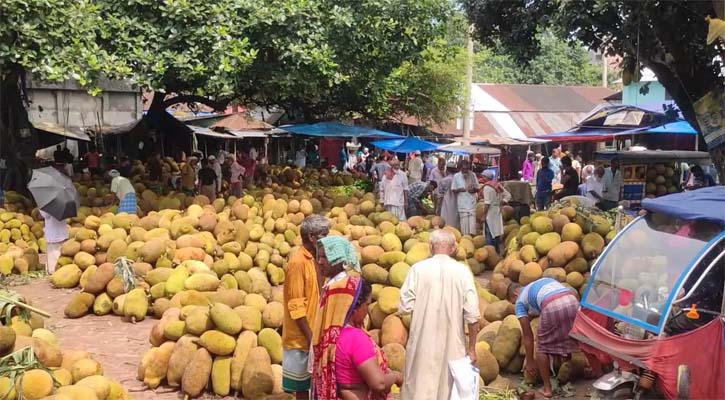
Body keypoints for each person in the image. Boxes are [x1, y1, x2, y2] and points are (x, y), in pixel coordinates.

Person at [399, 229, 480, 400]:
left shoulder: (417, 269)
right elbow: (472, 315)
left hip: (422, 343)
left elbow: (404, 306)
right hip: (453, 345)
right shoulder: (463, 271)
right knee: (449, 392)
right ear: (452, 249)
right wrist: (472, 348)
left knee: (419, 390)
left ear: (430, 247)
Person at [310, 236, 367, 400]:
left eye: (324, 257)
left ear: (337, 259)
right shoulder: (331, 284)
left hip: (339, 356)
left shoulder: (342, 287)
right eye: (318, 256)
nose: (319, 261)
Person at [283, 215, 330, 399]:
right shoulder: (297, 262)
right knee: (302, 387)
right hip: (301, 337)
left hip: (315, 331)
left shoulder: (316, 258)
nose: (327, 237)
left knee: (316, 383)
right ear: (312, 237)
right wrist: (311, 337)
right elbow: (296, 306)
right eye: (324, 234)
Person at [508, 279, 579, 398]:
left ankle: (547, 388)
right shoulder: (540, 283)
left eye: (513, 302)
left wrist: (530, 361)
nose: (515, 304)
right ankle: (596, 371)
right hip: (572, 300)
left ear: (515, 294)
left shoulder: (520, 301)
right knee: (577, 336)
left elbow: (527, 334)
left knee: (541, 348)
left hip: (552, 305)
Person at [336, 279, 402, 400]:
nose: (368, 310)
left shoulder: (331, 332)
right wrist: (395, 377)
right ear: (355, 306)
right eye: (367, 304)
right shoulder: (356, 338)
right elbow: (379, 383)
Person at [481, 170, 511, 252]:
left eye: (483, 176)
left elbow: (487, 203)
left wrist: (484, 216)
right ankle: (497, 250)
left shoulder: (487, 187)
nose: (482, 178)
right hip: (497, 210)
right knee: (496, 231)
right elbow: (508, 195)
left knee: (489, 232)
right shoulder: (497, 185)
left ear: (487, 177)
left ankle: (490, 252)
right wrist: (503, 201)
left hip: (490, 211)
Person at [451, 160, 479, 236]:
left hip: (471, 203)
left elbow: (478, 188)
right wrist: (459, 190)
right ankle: (465, 238)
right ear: (460, 168)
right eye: (463, 169)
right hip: (462, 203)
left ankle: (472, 239)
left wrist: (473, 190)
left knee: (472, 225)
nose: (465, 171)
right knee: (464, 226)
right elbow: (453, 190)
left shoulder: (473, 175)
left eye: (467, 169)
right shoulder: (456, 176)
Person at [40, 210, 68, 274]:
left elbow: (45, 215)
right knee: (60, 252)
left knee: (53, 253)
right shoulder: (62, 205)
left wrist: (40, 208)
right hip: (62, 232)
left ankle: (53, 270)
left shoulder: (50, 206)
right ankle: (61, 269)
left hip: (53, 233)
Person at [437, 163, 459, 229]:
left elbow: (440, 194)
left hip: (447, 201)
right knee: (455, 218)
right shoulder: (459, 179)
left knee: (446, 217)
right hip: (457, 201)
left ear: (447, 170)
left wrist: (438, 207)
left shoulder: (444, 180)